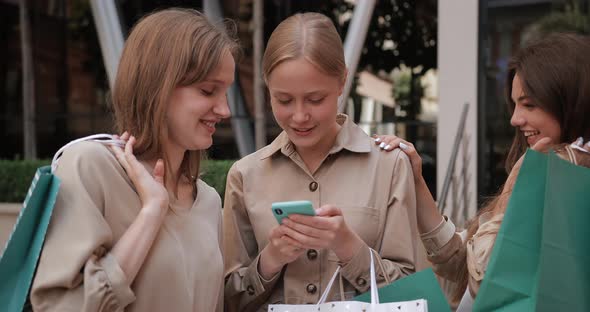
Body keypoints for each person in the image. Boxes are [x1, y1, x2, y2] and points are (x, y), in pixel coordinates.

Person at [30, 8, 238, 311]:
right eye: (208, 91)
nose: (225, 110)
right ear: (159, 87)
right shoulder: (89, 167)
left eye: (226, 93)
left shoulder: (206, 200)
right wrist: (152, 211)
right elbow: (62, 307)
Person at [375, 32, 590, 307]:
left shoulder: (563, 176)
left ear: (570, 101)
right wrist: (417, 180)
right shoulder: (555, 171)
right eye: (515, 104)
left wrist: (517, 189)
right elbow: (461, 265)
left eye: (529, 104)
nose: (515, 118)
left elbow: (485, 279)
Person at [223, 12, 420, 312]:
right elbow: (227, 299)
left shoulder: (390, 166)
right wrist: (270, 261)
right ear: (267, 88)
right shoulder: (245, 175)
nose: (300, 116)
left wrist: (349, 248)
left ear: (342, 81)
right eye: (284, 100)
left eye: (315, 99)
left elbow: (409, 293)